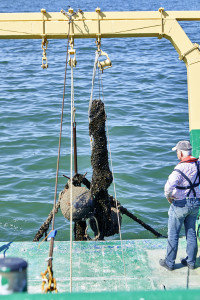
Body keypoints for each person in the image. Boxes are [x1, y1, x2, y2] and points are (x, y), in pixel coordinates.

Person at [159, 140, 200, 271]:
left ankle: (169, 262)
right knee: (191, 232)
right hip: (195, 203)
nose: (177, 154)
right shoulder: (198, 164)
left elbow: (168, 188)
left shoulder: (179, 169)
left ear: (181, 153)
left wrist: (169, 197)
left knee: (173, 234)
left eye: (177, 151)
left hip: (180, 205)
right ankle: (191, 262)